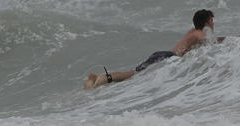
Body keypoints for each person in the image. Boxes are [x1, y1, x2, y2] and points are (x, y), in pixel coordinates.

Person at [83, 9, 226, 89]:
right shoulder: (200, 33)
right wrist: (231, 40)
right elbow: (210, 42)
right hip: (169, 57)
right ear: (206, 22)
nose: (213, 23)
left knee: (134, 74)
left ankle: (100, 78)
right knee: (134, 75)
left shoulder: (192, 31)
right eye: (211, 20)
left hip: (163, 54)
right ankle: (100, 79)